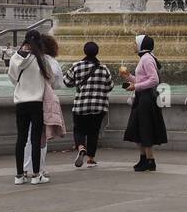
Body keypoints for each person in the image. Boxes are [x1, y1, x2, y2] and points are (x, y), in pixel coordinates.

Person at [8, 30, 51, 185]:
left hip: (20, 102)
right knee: (35, 139)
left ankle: (19, 175)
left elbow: (12, 78)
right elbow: (49, 78)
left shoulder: (14, 58)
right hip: (36, 102)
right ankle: (36, 175)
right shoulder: (41, 59)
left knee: (21, 138)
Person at [63, 41, 115, 167]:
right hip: (99, 106)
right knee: (93, 132)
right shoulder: (104, 68)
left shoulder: (76, 66)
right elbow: (110, 86)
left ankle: (81, 147)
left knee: (79, 129)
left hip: (81, 105)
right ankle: (91, 158)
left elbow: (67, 82)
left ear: (84, 51)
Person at [123, 34, 166, 171]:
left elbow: (154, 80)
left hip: (146, 99)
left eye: (135, 43)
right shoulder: (145, 58)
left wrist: (135, 86)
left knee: (144, 128)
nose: (133, 45)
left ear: (142, 45)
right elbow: (144, 79)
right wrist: (129, 77)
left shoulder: (146, 59)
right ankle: (144, 159)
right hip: (142, 97)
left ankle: (149, 160)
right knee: (137, 128)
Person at [23, 35, 66, 175]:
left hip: (24, 100)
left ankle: (25, 167)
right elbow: (58, 83)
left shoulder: (27, 59)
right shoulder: (50, 61)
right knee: (41, 136)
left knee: (28, 136)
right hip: (43, 101)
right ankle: (38, 168)